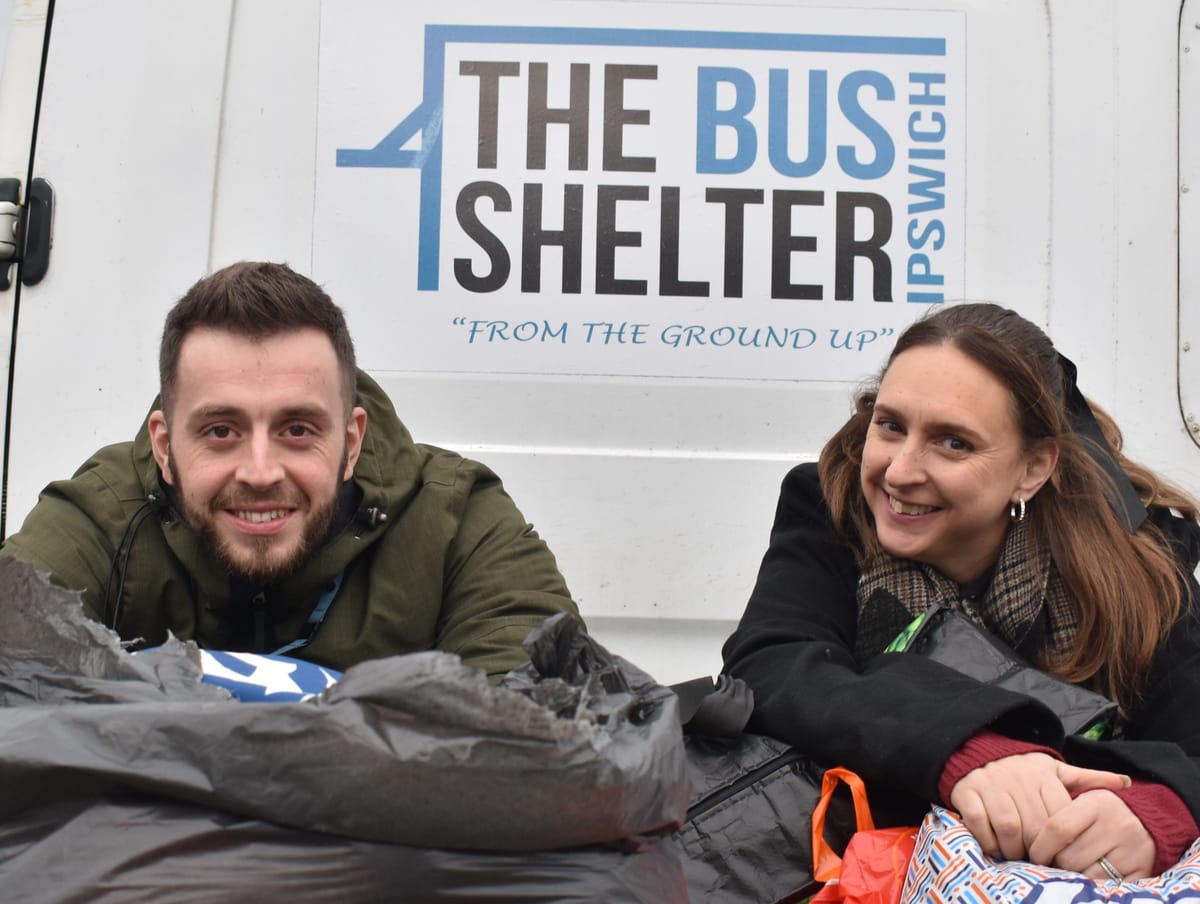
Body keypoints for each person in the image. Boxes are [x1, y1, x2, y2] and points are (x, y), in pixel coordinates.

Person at [722, 303, 1200, 882]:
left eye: (953, 443)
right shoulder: (832, 507)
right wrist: (969, 750)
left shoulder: (1136, 564)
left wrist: (1159, 811)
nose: (900, 472)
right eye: (891, 425)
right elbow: (772, 665)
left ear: (1032, 469)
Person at [1, 261, 579, 680]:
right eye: (221, 431)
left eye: (297, 430)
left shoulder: (458, 522)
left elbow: (540, 730)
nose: (259, 473)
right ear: (165, 447)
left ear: (351, 442)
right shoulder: (99, 516)